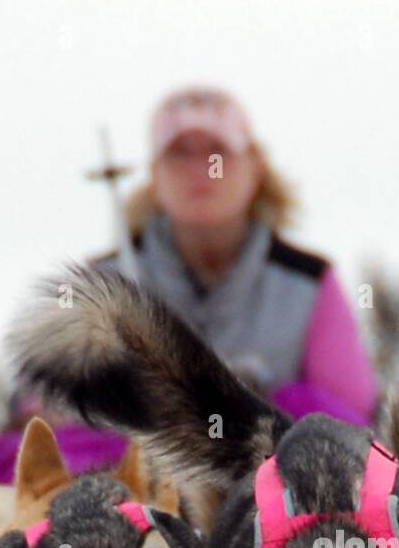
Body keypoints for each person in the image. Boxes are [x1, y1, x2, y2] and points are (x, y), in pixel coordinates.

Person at [94, 86, 378, 426]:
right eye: (179, 153)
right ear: (154, 174)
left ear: (254, 167)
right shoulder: (102, 283)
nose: (200, 168)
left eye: (217, 151)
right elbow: (43, 414)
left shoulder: (309, 284)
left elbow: (354, 422)